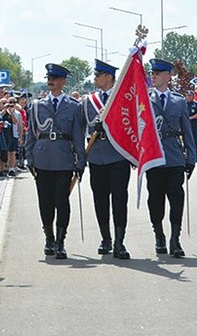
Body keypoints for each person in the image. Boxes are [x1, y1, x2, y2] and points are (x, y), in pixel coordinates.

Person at [25, 63, 85, 259]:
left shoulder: (74, 106)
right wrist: (29, 158)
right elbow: (31, 135)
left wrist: (80, 162)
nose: (50, 81)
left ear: (63, 82)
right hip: (42, 158)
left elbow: (78, 135)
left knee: (62, 201)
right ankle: (49, 238)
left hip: (64, 159)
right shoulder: (36, 106)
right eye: (49, 78)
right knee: (45, 202)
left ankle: (60, 241)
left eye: (55, 79)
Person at [79, 59, 131, 259]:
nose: (95, 78)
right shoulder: (88, 101)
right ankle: (106, 238)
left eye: (98, 75)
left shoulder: (122, 99)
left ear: (109, 77)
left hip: (118, 156)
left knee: (119, 199)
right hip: (96, 157)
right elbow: (80, 127)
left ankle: (119, 241)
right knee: (100, 200)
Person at [147, 58, 196, 258]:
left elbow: (187, 132)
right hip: (153, 157)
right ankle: (159, 234)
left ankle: (175, 239)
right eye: (152, 73)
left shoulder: (178, 101)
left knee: (177, 198)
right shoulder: (145, 101)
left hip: (174, 157)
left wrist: (191, 158)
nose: (153, 76)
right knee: (155, 199)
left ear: (168, 76)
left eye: (157, 73)